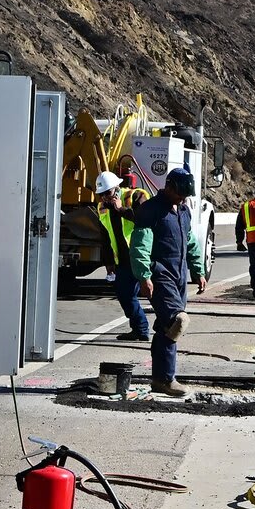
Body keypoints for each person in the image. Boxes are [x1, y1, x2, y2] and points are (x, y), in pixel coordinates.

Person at [127, 167, 208, 397]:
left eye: (185, 196)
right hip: (160, 273)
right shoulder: (151, 210)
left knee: (166, 327)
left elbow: (190, 242)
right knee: (177, 322)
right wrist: (144, 275)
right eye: (179, 194)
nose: (183, 199)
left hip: (179, 274)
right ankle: (166, 378)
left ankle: (160, 379)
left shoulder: (183, 211)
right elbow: (140, 245)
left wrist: (198, 271)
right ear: (169, 186)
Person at [92, 172, 149, 343]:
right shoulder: (102, 207)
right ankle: (140, 329)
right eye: (101, 195)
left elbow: (144, 219)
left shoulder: (136, 196)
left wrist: (120, 209)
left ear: (117, 188)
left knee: (156, 294)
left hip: (142, 256)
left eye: (107, 193)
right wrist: (108, 262)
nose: (104, 198)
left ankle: (166, 326)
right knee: (125, 295)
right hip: (123, 260)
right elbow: (105, 236)